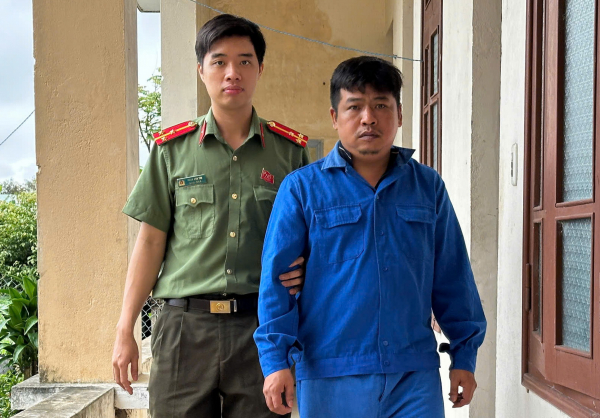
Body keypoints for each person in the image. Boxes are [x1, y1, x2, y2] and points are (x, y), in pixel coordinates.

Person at [254, 56, 486, 417]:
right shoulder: (302, 189)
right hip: (330, 373)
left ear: (400, 114)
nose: (368, 118)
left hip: (413, 377)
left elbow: (453, 276)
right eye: (355, 107)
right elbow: (276, 282)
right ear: (335, 117)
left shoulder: (427, 187)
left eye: (381, 105)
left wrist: (464, 356)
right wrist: (274, 361)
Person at [111, 14, 310, 418]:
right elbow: (150, 243)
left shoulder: (289, 154)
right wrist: (124, 328)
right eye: (219, 61)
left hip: (261, 329)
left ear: (260, 69)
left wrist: (310, 266)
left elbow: (311, 239)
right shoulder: (170, 151)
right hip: (184, 329)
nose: (232, 72)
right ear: (201, 70)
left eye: (244, 61)